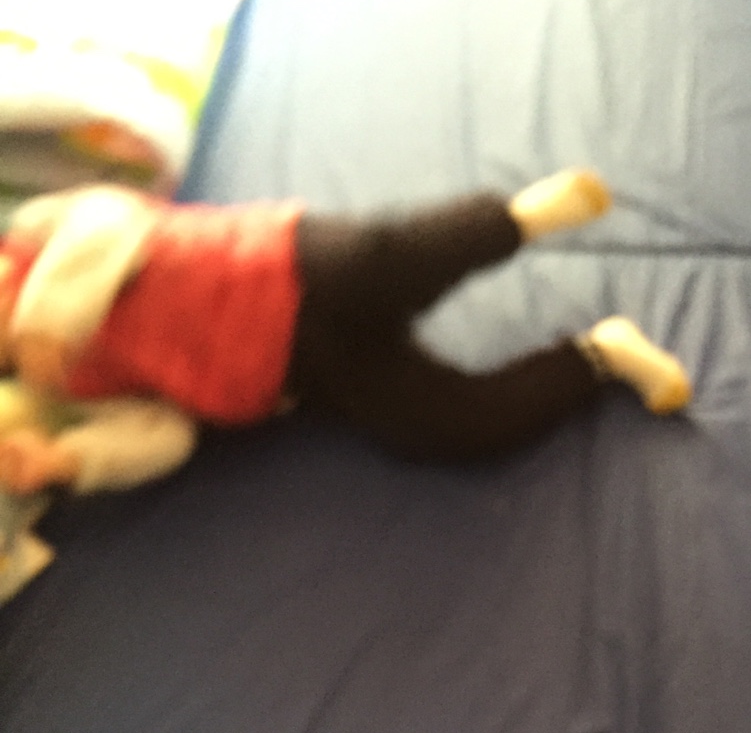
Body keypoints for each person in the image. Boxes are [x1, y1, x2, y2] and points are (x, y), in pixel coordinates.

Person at [0, 168, 692, 495]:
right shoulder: (63, 384)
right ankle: (600, 354)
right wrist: (70, 461)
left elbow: (112, 220)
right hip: (299, 369)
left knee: (388, 259)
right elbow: (165, 433)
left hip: (279, 264)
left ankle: (521, 219)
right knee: (446, 429)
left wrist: (49, 316)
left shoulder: (31, 242)